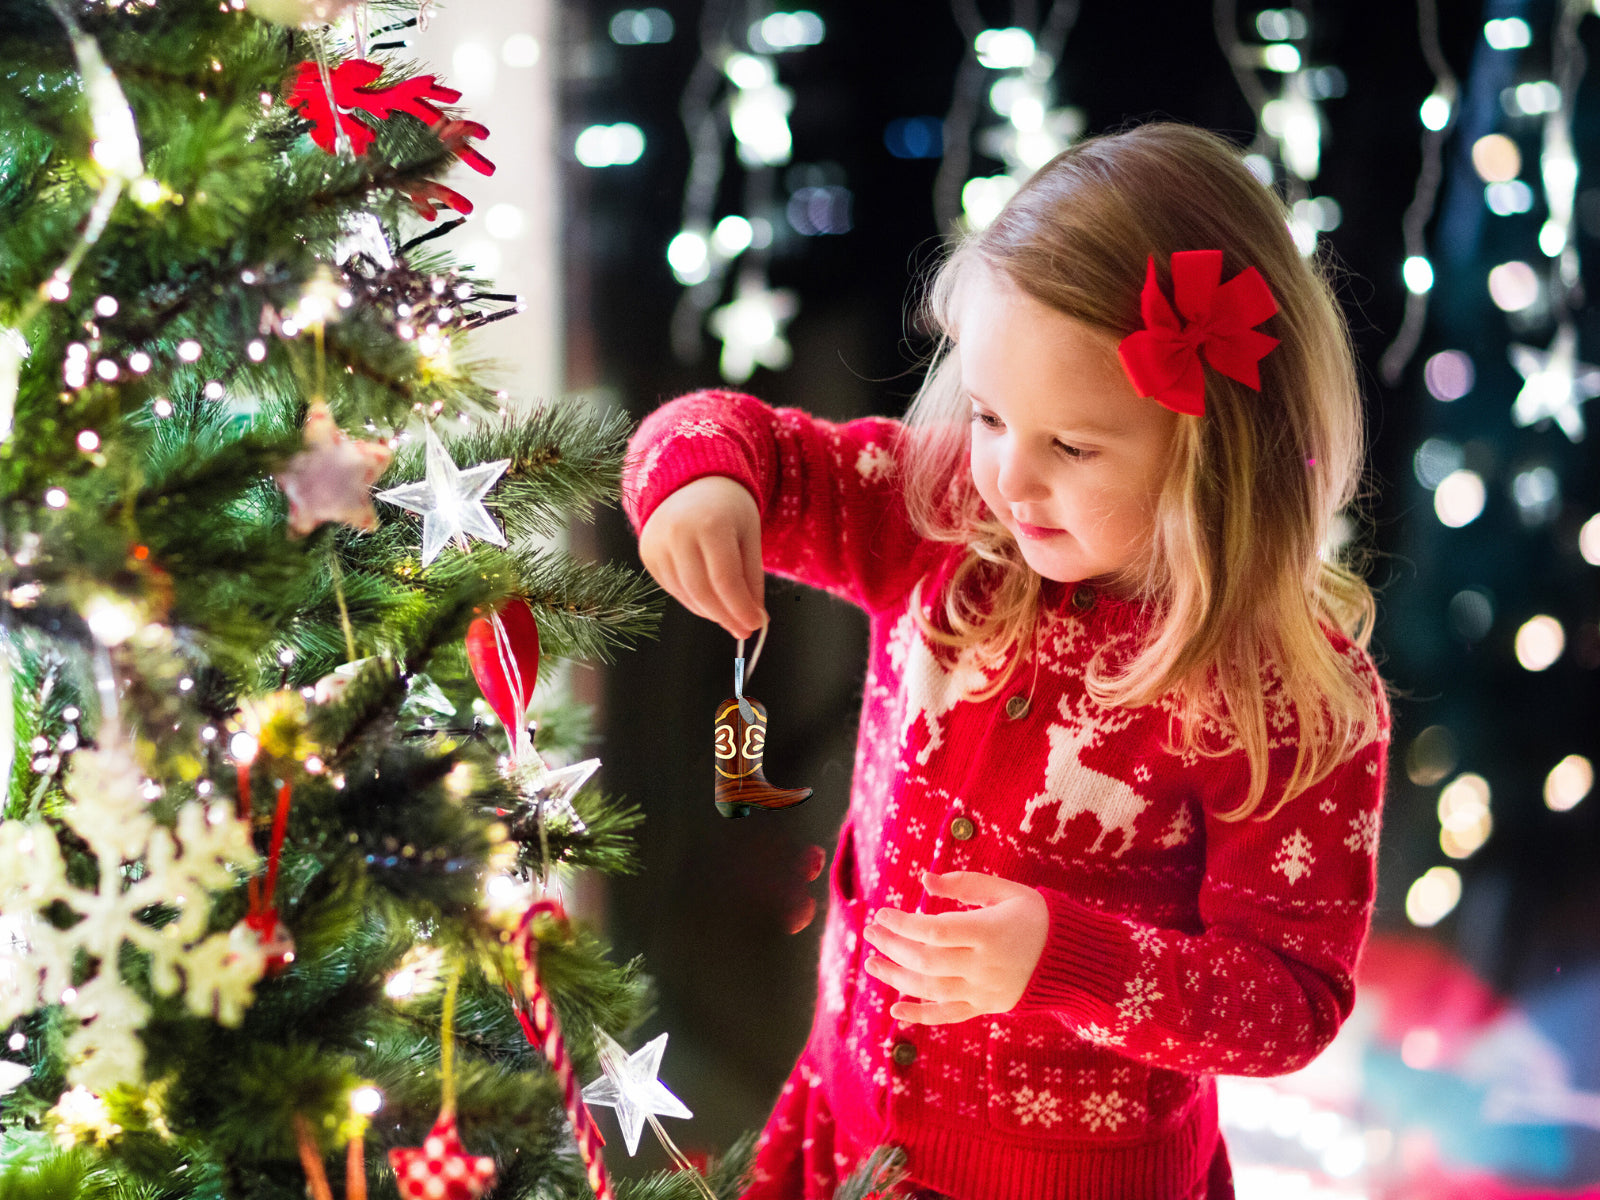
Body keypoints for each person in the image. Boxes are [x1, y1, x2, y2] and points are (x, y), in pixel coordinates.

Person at [622, 122, 1391, 1200]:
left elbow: (1291, 1002)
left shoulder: (1285, 699)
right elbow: (744, 440)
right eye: (987, 416)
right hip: (848, 1130)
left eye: (1071, 446)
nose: (1009, 479)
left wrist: (1066, 961)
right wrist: (702, 481)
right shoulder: (942, 522)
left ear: (1216, 448)